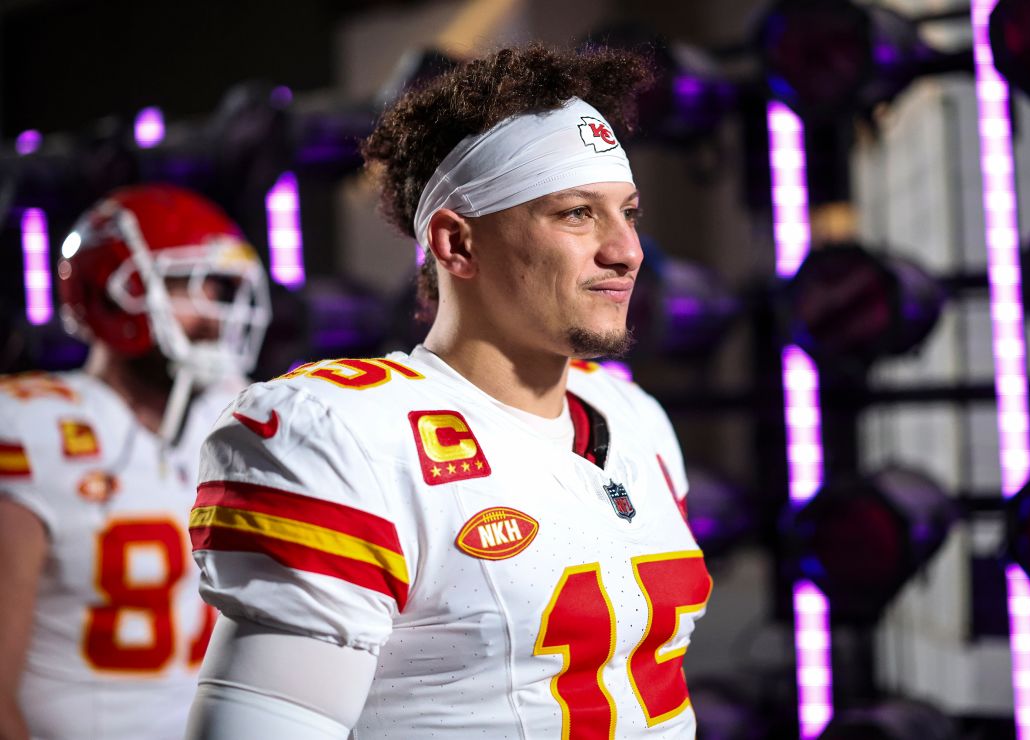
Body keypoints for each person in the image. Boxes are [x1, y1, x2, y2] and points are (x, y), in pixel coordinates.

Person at [186, 44, 712, 739]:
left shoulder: (634, 416)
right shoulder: (348, 436)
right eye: (578, 214)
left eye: (629, 212)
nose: (626, 250)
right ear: (456, 243)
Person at [0, 184, 271, 740]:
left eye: (222, 289)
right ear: (114, 292)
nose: (217, 313)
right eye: (193, 286)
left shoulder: (238, 417)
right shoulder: (29, 427)